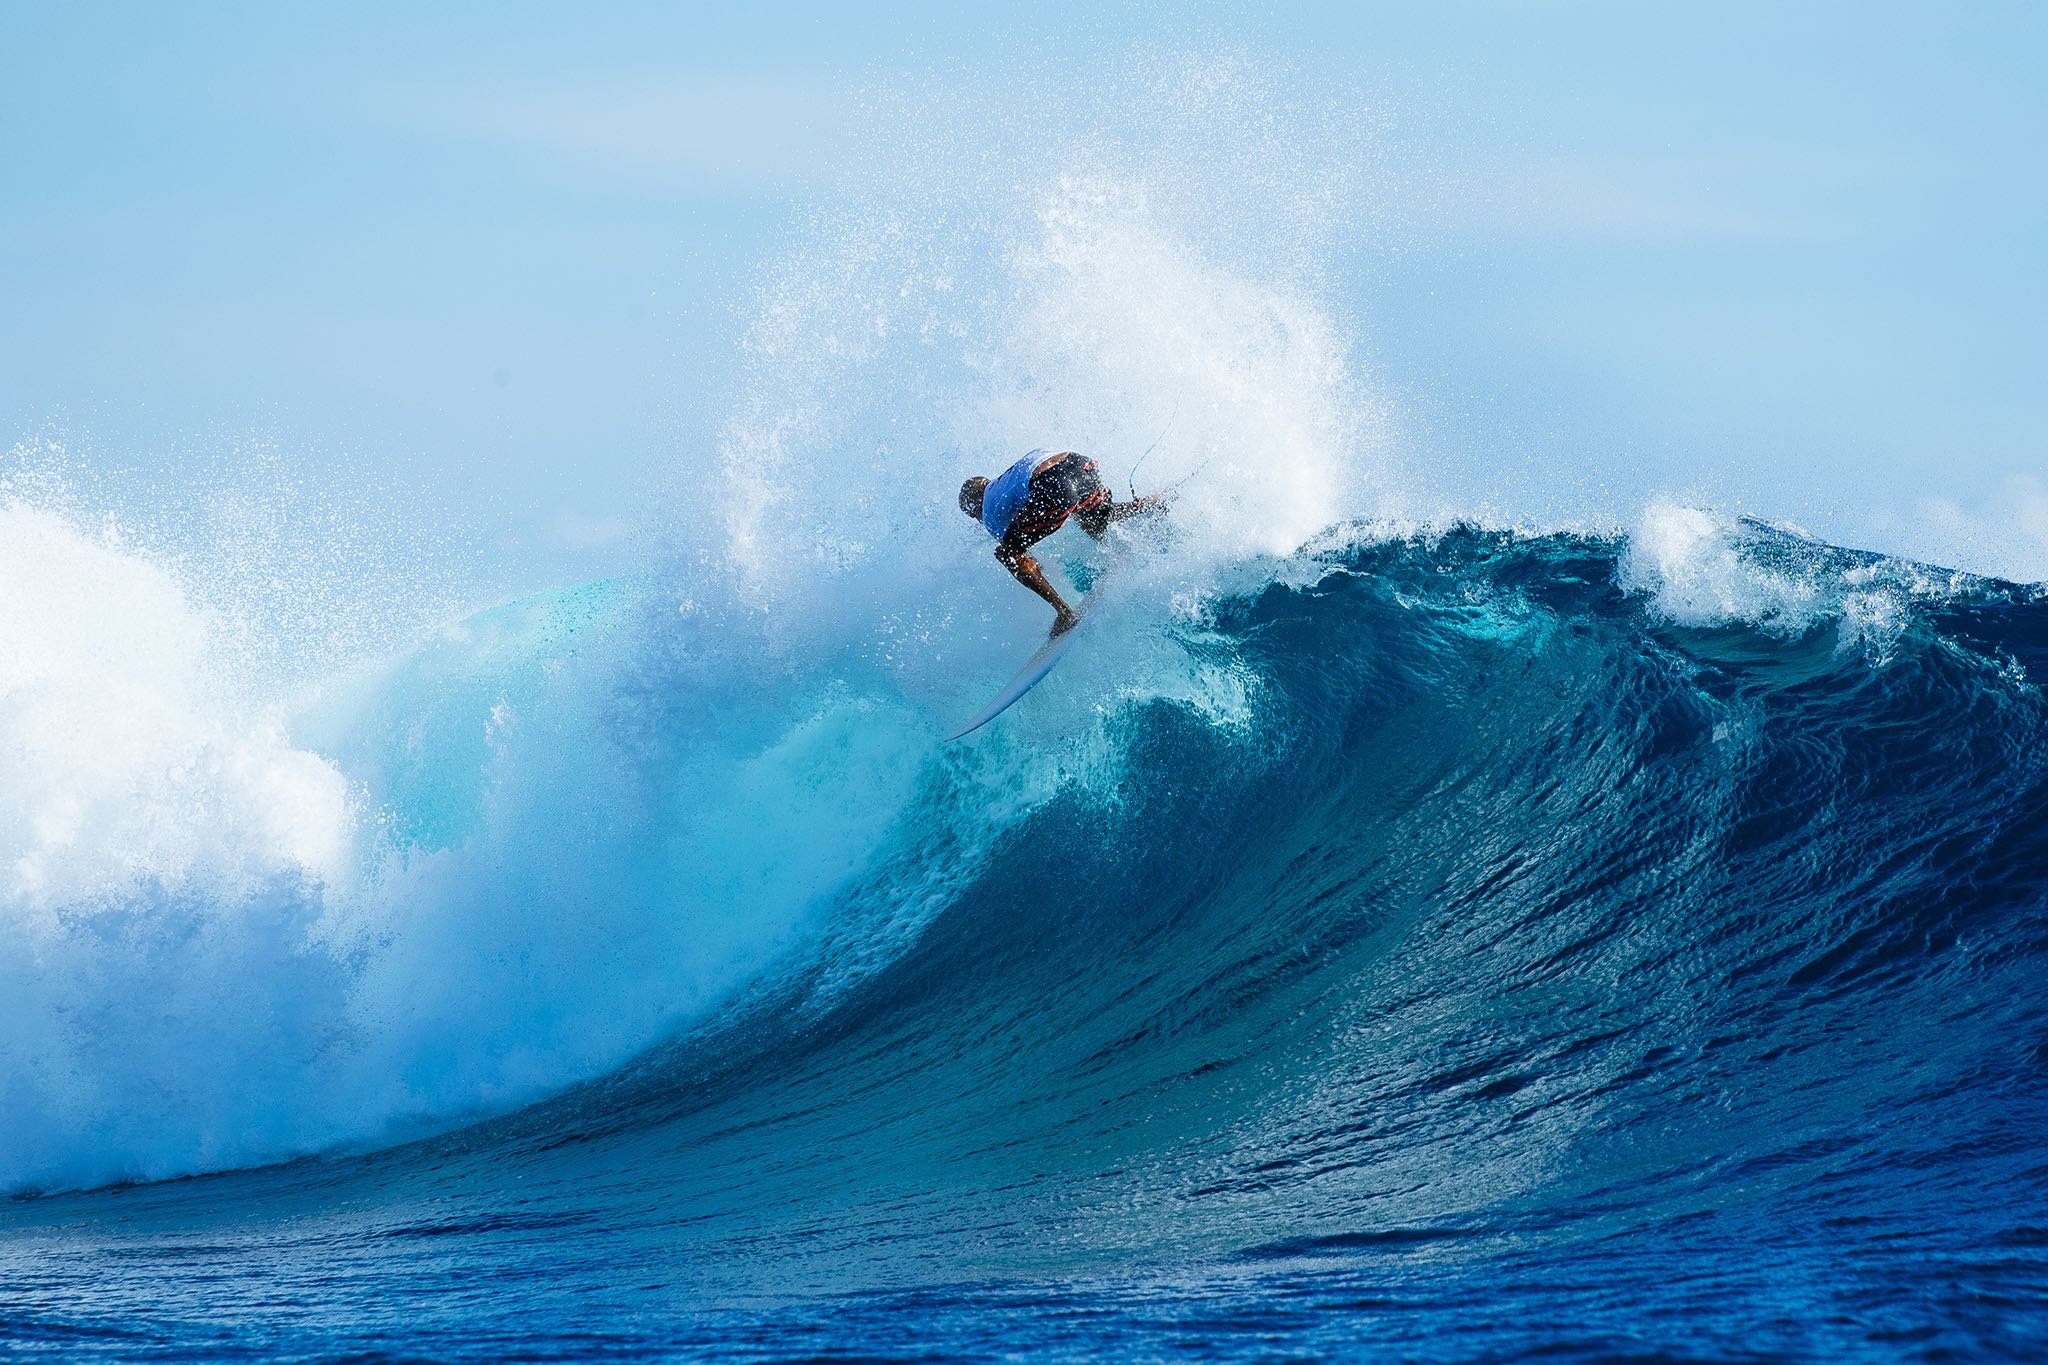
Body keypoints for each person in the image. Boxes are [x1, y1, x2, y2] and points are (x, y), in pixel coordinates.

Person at [959, 449, 1165, 637]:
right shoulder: (1004, 481)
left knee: (1008, 554)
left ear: (975, 508)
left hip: (1052, 485)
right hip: (1080, 464)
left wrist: (1032, 568)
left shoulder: (988, 511)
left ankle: (1064, 612)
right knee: (1095, 515)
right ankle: (1154, 503)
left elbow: (1019, 556)